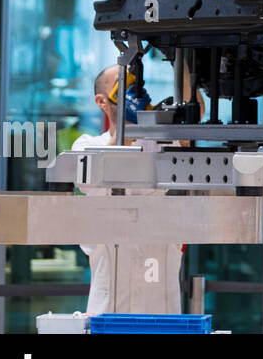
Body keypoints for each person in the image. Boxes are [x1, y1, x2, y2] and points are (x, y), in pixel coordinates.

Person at [73, 65, 183, 316]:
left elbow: (190, 126)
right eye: (122, 84)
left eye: (134, 82)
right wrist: (127, 122)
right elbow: (87, 178)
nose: (132, 88)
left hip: (159, 296)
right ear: (101, 101)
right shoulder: (87, 145)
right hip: (110, 296)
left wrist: (185, 65)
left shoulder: (161, 144)